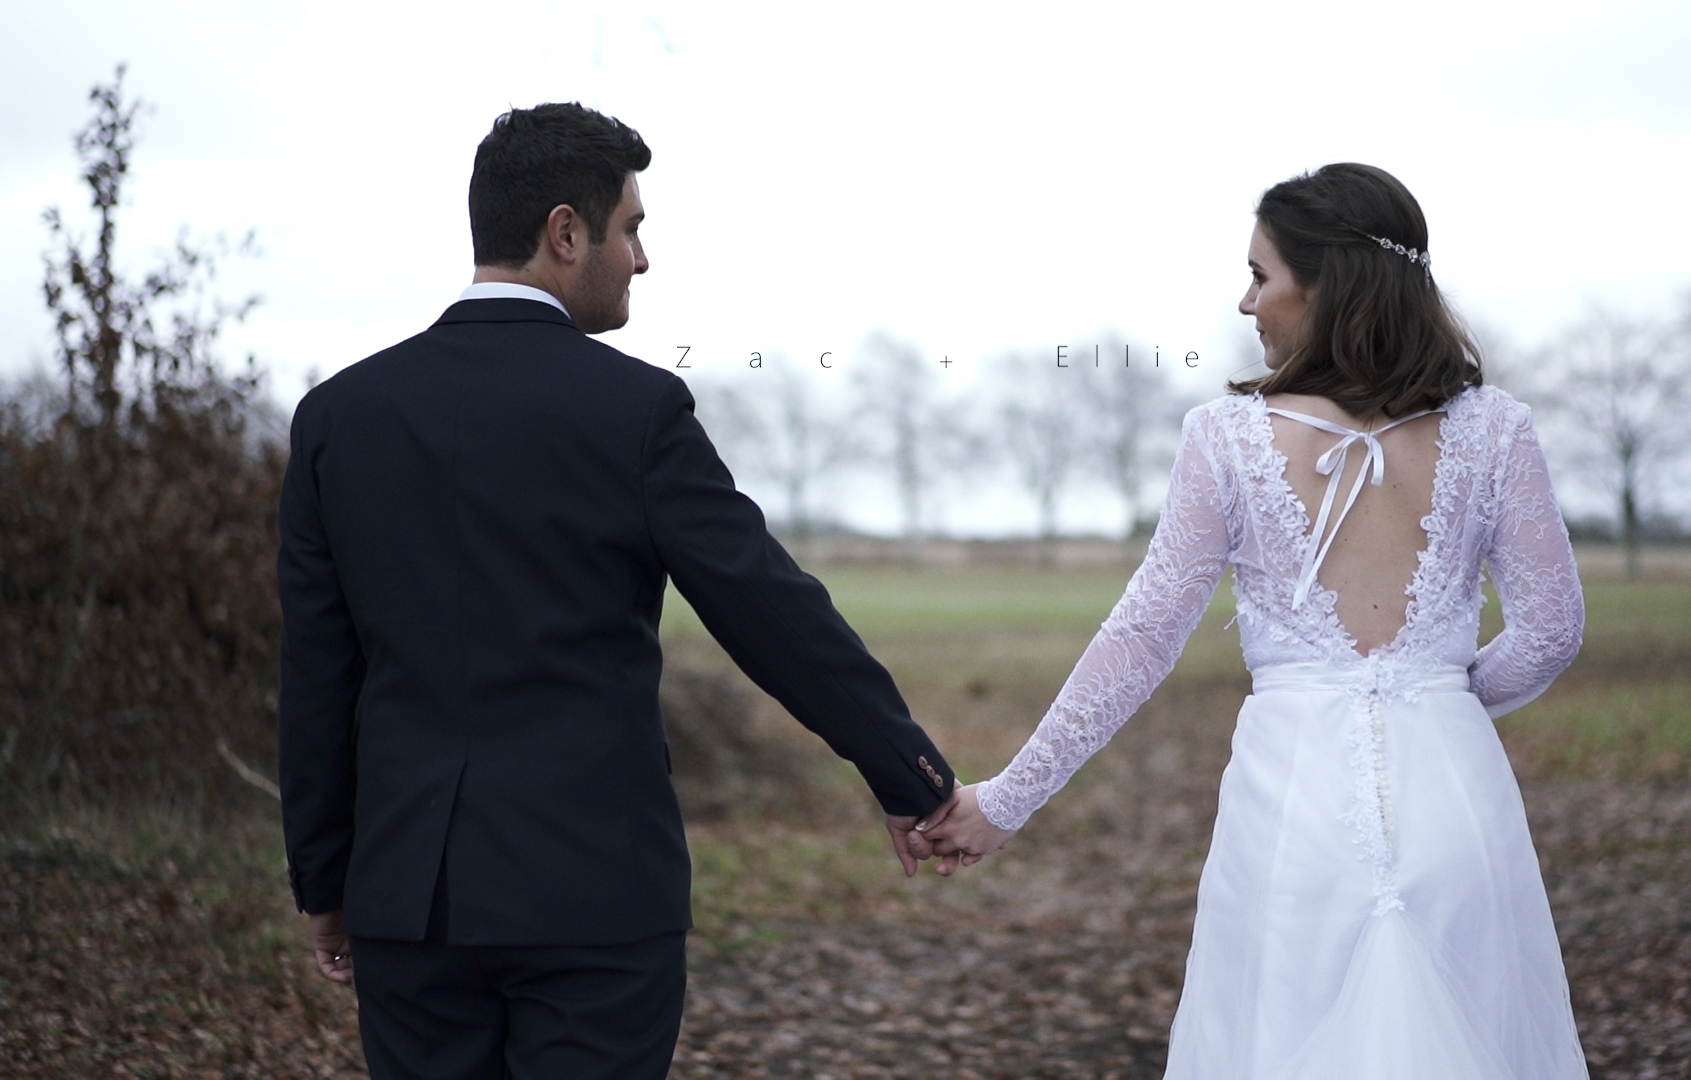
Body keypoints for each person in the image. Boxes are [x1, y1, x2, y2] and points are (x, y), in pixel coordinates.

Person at [277, 102, 960, 1080]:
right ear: (565, 232)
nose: (642, 259)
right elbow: (767, 608)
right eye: (631, 228)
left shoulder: (337, 418)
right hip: (590, 891)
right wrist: (911, 779)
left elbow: (317, 675)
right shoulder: (635, 410)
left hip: (408, 899)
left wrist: (326, 879)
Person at [926, 163, 1590, 1078]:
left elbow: (1141, 639)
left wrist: (1005, 802)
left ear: (1324, 286)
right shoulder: (1497, 430)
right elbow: (1552, 629)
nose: (1246, 303)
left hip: (1293, 810)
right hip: (1455, 796)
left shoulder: (1228, 438)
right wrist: (1441, 696)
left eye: (1259, 275)